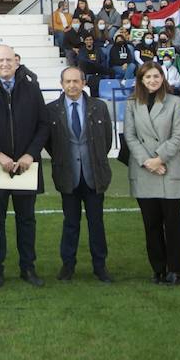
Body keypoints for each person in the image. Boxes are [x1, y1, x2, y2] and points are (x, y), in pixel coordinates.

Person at [0, 44, 47, 288]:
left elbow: (43, 125)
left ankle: (28, 267)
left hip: (26, 166)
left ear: (16, 61)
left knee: (27, 219)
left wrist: (30, 155)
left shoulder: (32, 89)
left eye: (9, 60)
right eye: (0, 60)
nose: (4, 64)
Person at [44, 66, 115, 284]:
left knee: (96, 223)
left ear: (84, 83)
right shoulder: (51, 110)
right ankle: (68, 266)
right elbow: (50, 144)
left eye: (76, 81)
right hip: (68, 176)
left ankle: (100, 266)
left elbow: (106, 140)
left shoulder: (99, 107)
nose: (72, 85)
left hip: (94, 176)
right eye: (68, 81)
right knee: (70, 223)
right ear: (61, 84)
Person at [125, 61, 180, 285]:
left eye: (156, 76)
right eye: (148, 77)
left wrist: (159, 159)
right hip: (144, 170)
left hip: (168, 168)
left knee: (173, 223)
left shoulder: (174, 102)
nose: (152, 80)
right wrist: (148, 162)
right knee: (151, 224)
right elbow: (130, 136)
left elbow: (177, 137)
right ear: (141, 80)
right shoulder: (132, 103)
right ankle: (158, 268)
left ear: (163, 78)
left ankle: (176, 269)